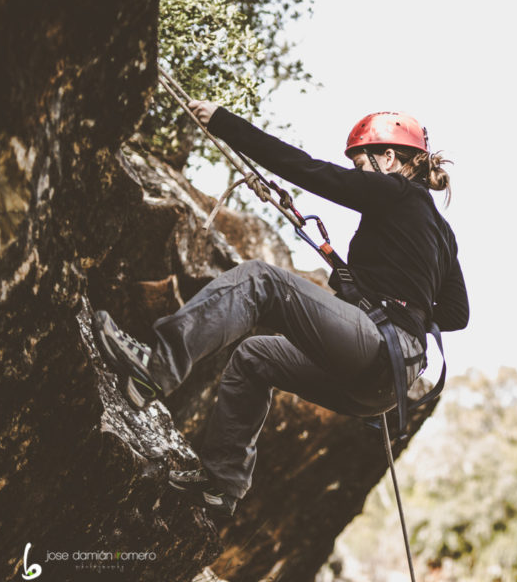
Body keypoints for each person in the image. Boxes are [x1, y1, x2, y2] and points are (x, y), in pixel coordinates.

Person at [93, 102, 469, 517]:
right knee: (255, 357)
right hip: (386, 382)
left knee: (260, 280)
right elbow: (456, 313)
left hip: (377, 348)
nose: (359, 173)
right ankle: (222, 482)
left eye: (362, 163)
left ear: (389, 158)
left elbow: (308, 170)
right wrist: (383, 296)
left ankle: (156, 367)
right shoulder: (443, 233)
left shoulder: (394, 191)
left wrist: (222, 122)